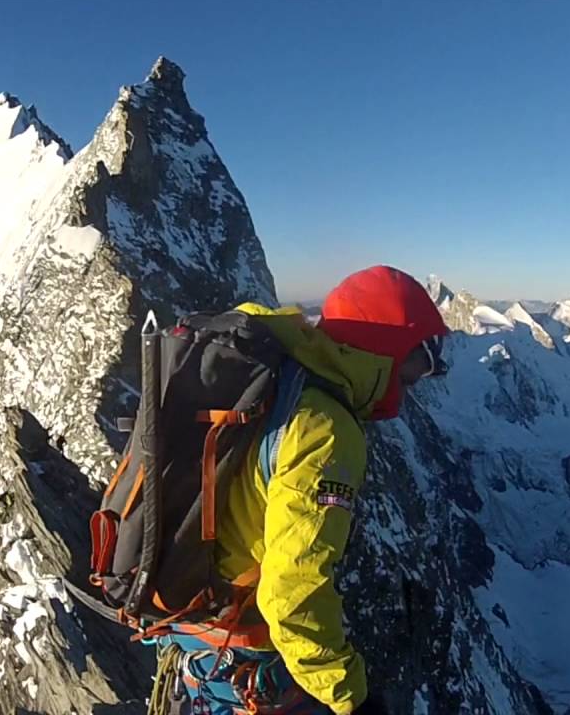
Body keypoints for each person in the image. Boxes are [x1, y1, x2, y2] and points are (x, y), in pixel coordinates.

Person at [158, 265, 449, 715]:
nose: (420, 378)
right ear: (388, 346)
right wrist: (349, 697)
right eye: (420, 357)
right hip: (244, 657)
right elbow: (294, 591)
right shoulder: (324, 429)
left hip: (196, 634)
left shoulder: (285, 377)